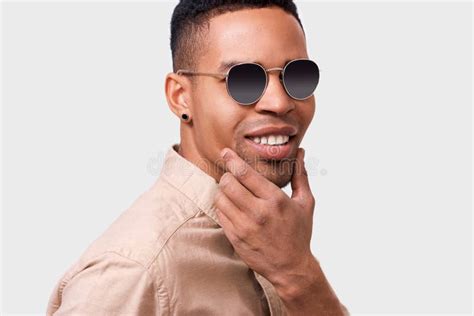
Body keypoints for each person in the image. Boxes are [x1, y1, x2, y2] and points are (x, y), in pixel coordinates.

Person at [46, 1, 349, 315]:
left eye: (297, 75)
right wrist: (294, 272)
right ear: (180, 97)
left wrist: (300, 275)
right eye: (243, 79)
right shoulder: (134, 271)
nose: (280, 102)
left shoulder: (280, 238)